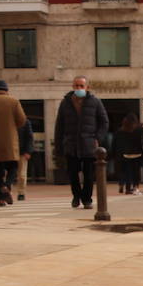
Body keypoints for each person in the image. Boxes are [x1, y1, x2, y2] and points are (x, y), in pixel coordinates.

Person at [53, 75, 109, 209]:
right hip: (71, 144)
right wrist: (59, 145)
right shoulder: (65, 103)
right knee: (73, 174)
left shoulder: (95, 102)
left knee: (89, 175)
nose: (78, 88)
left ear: (87, 87)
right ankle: (76, 196)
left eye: (81, 86)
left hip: (89, 144)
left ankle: (87, 199)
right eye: (76, 86)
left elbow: (104, 122)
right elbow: (59, 125)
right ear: (73, 87)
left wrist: (97, 138)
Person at [114, 113, 143, 195]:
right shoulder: (139, 129)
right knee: (136, 172)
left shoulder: (121, 130)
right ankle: (135, 187)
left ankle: (128, 188)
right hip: (137, 154)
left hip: (126, 154)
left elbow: (117, 143)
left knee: (127, 172)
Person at [16, 117, 33, 201]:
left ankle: (21, 192)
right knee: (6, 173)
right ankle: (7, 191)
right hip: (9, 152)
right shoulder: (7, 121)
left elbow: (29, 137)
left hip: (22, 152)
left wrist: (28, 151)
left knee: (22, 174)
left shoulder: (25, 122)